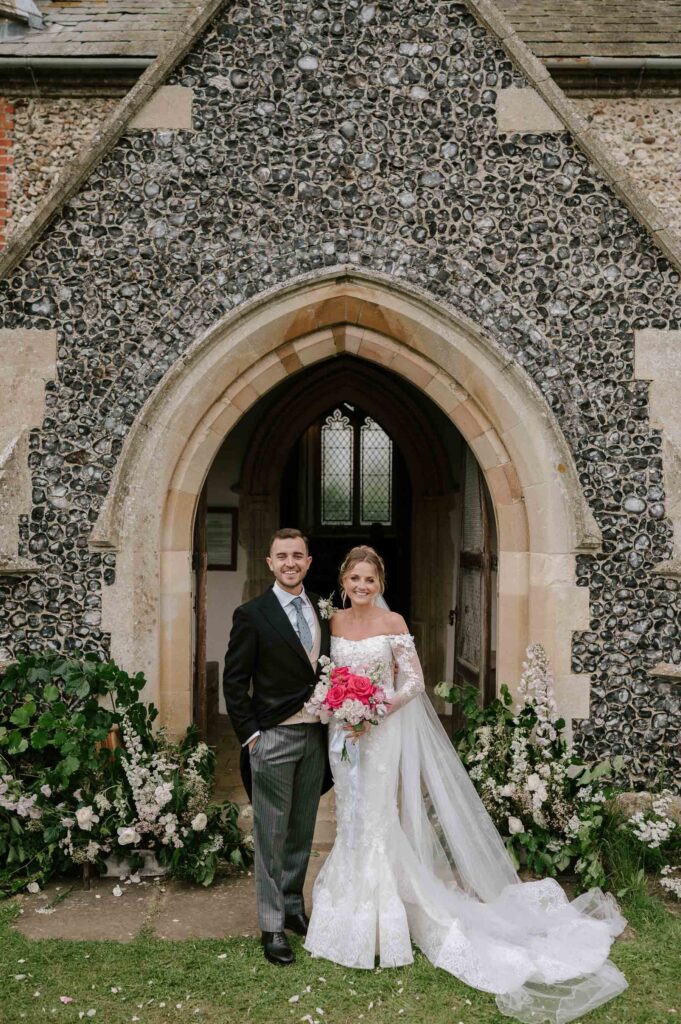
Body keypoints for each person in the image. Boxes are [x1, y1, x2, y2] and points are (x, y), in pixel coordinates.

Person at [304, 545, 628, 1024]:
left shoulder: (393, 625)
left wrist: (373, 711)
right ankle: (347, 912)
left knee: (375, 816)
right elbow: (333, 677)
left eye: (369, 580)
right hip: (343, 734)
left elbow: (413, 682)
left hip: (379, 731)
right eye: (354, 580)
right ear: (344, 582)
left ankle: (381, 921)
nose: (361, 587)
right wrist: (337, 708)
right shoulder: (334, 625)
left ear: (380, 583)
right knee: (349, 818)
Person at [223, 528, 330, 966]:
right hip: (273, 736)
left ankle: (291, 906)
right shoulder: (252, 614)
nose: (290, 562)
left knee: (302, 830)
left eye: (297, 555)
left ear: (308, 561)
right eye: (282, 555)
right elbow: (233, 683)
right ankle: (270, 925)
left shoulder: (323, 609)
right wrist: (252, 736)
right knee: (270, 834)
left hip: (316, 737)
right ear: (269, 562)